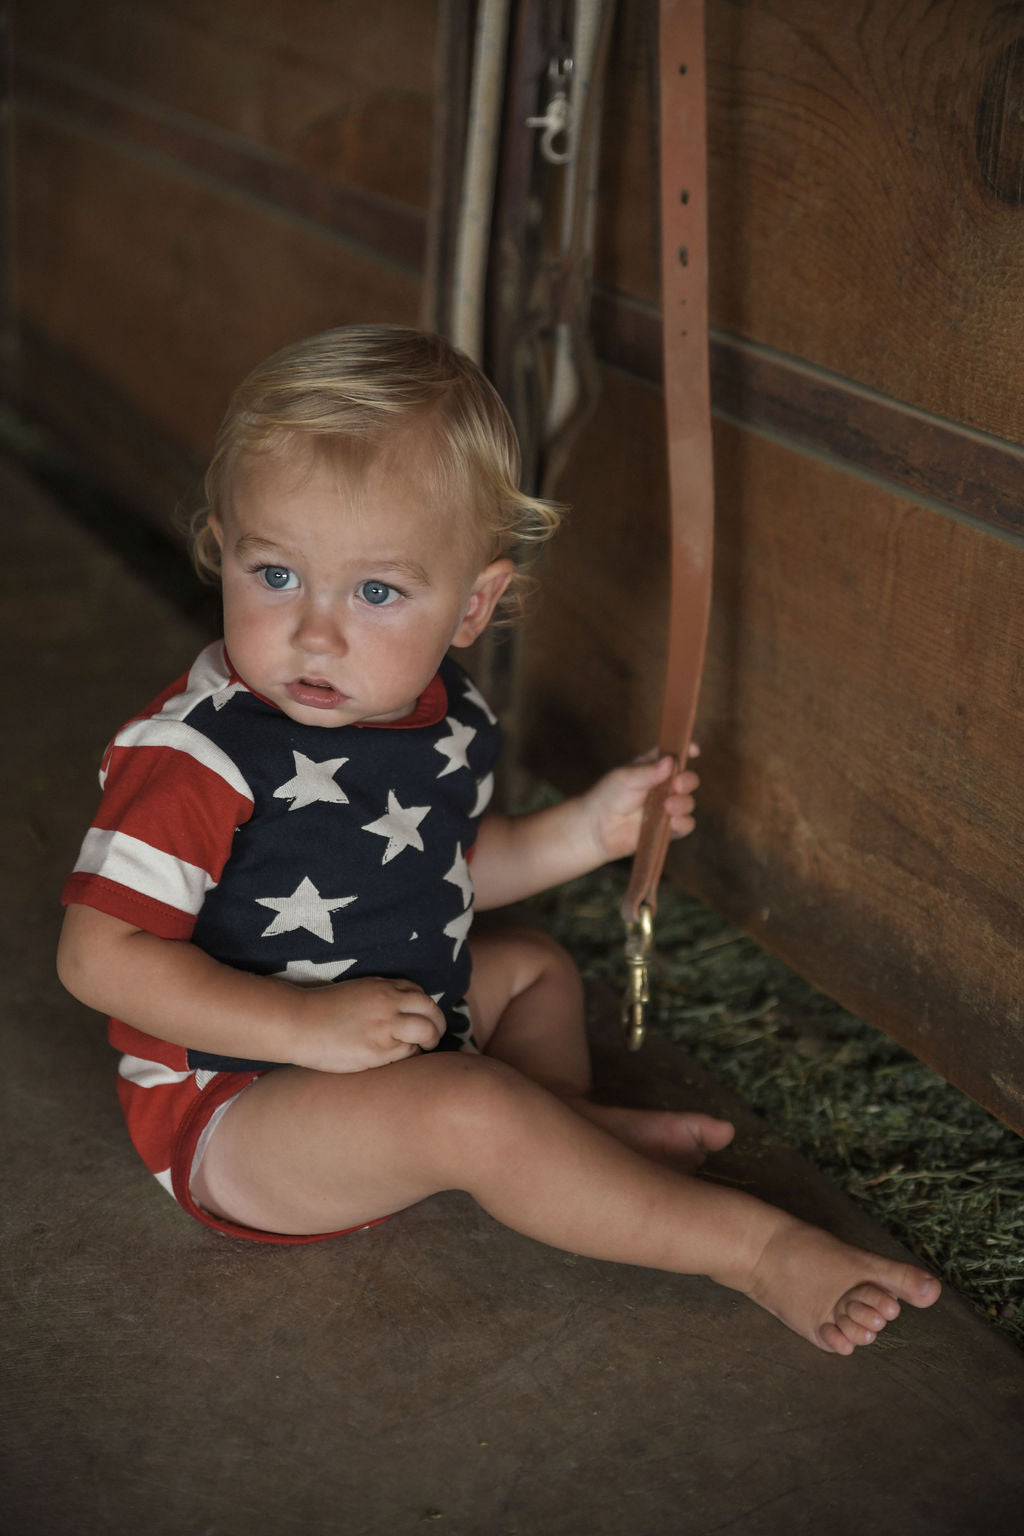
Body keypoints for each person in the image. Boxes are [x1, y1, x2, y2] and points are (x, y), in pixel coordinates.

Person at [57, 323, 940, 1355]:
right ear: (222, 544)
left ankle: (560, 1132)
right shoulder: (199, 757)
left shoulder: (442, 715)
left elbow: (437, 876)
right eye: (275, 574)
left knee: (531, 972)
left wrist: (586, 832)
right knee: (468, 1109)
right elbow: (96, 958)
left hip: (377, 1031)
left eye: (377, 591)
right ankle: (750, 1253)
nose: (317, 634)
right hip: (239, 1107)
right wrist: (305, 1031)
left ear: (472, 604)